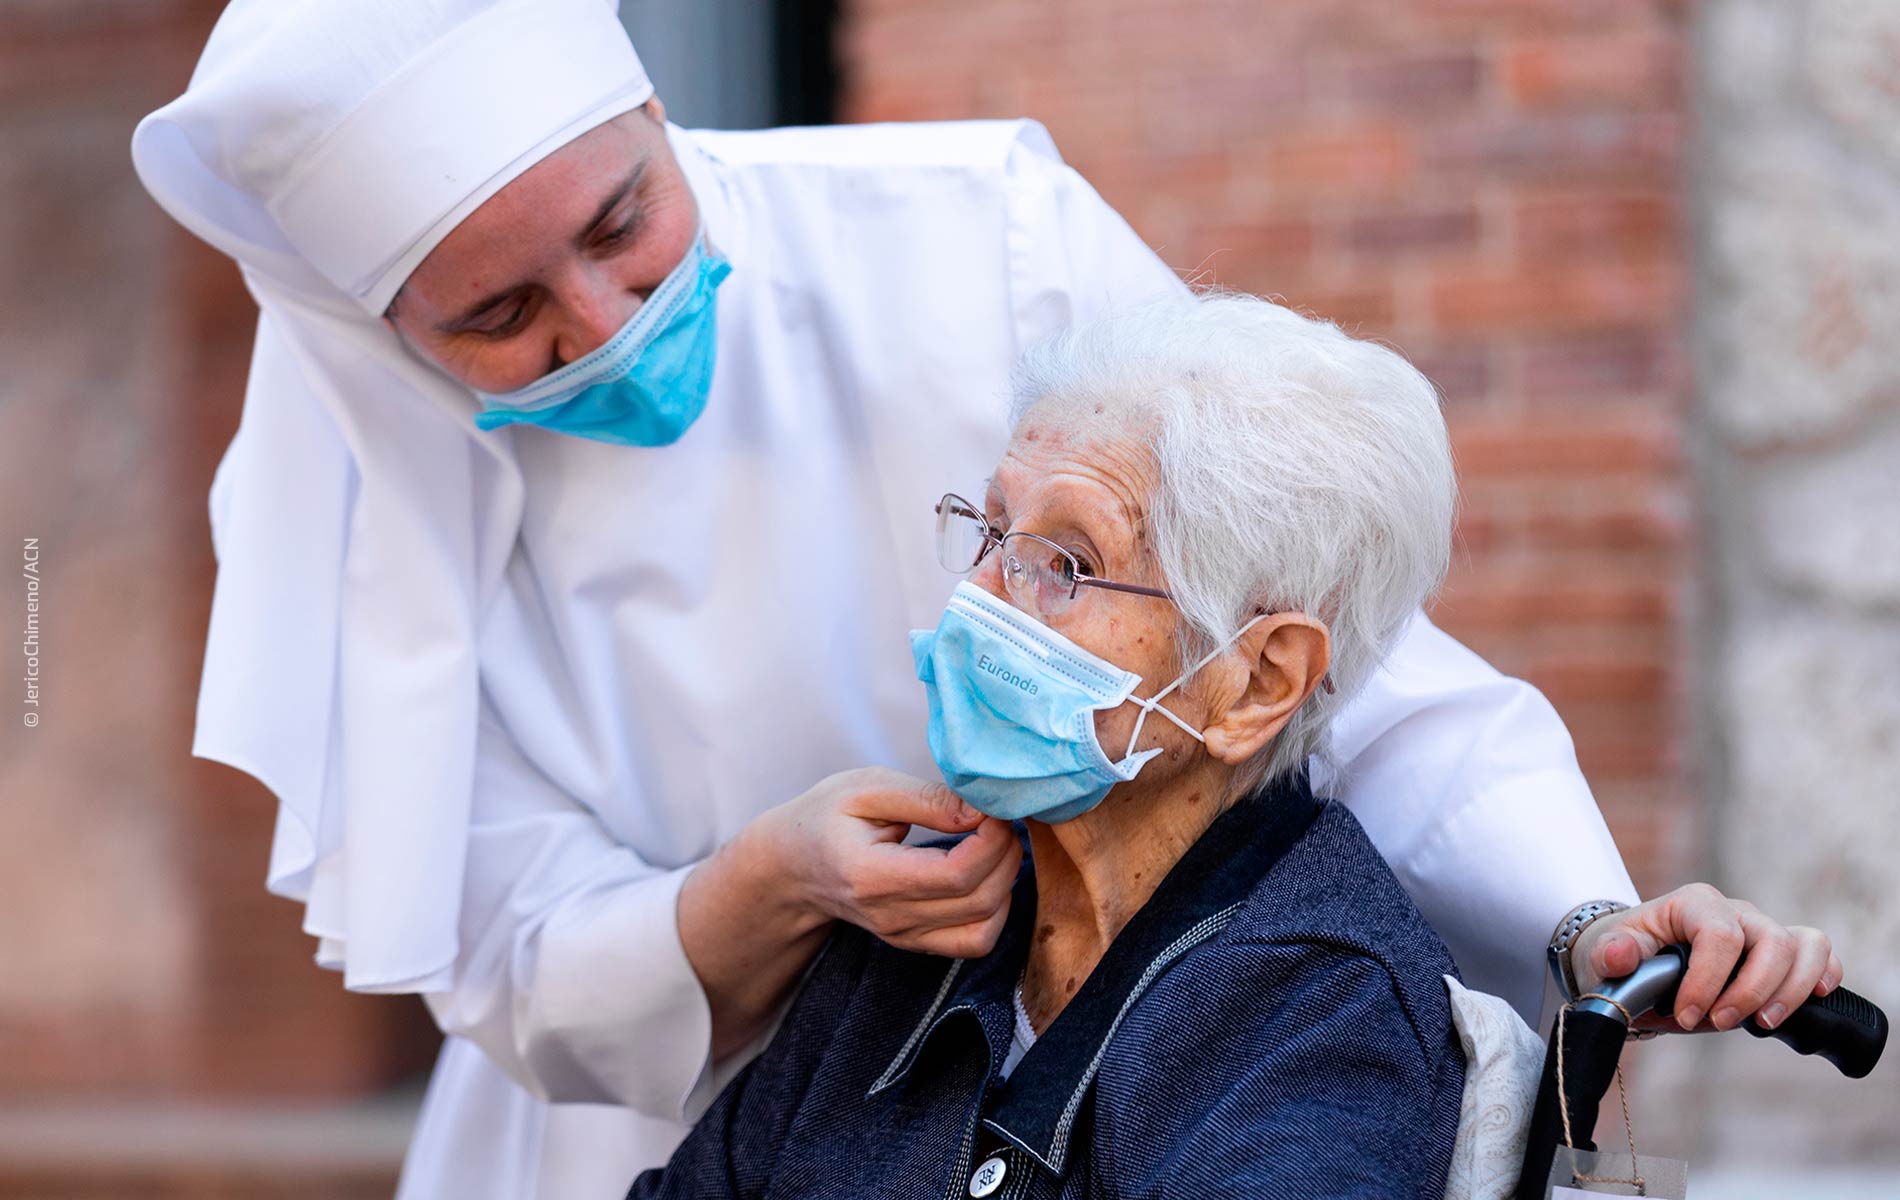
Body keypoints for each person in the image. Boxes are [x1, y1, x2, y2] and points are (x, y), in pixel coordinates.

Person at [130, 1, 1842, 1195]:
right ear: (389, 339)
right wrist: (766, 887)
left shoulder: (973, 236)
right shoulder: (371, 510)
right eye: (501, 318)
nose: (606, 319)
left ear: (656, 116)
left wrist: (1574, 915)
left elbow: (1311, 617)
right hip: (697, 1112)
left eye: (626, 221)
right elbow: (504, 955)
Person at [627, 293, 1472, 1198]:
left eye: (1067, 563)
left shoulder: (1325, 1024)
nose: (979, 599)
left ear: (1257, 684)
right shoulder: (920, 920)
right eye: (993, 530)